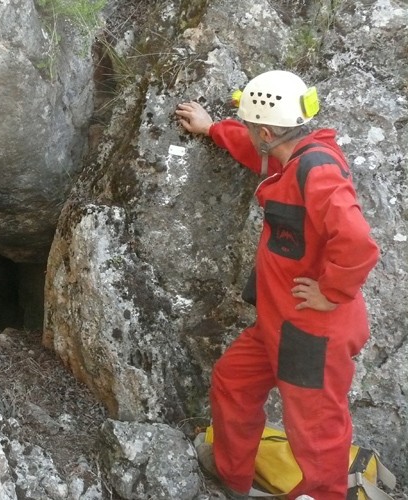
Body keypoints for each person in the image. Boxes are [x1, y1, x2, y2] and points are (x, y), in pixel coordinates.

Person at [175, 70, 380, 499]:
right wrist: (214, 127)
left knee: (316, 432)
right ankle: (233, 477)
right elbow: (258, 154)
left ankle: (322, 495)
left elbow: (359, 241)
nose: (250, 136)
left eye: (251, 128)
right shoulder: (293, 154)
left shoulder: (317, 171)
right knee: (233, 381)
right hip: (278, 322)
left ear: (267, 131)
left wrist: (332, 292)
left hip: (310, 333)